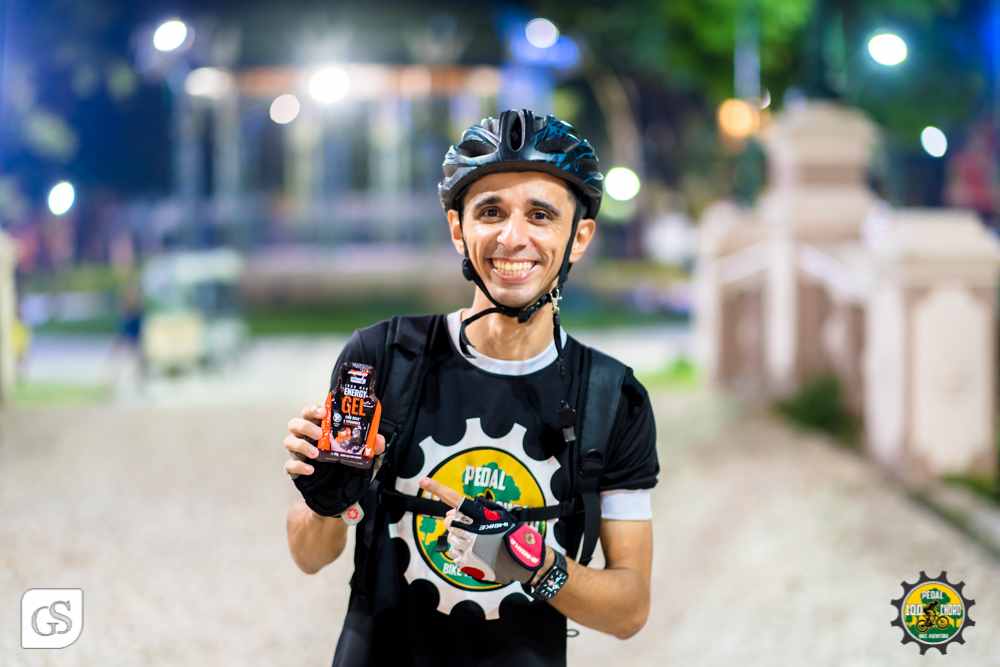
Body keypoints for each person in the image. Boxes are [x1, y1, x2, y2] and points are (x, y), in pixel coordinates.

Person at [283, 109, 658, 667]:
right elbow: (309, 556)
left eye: (540, 215)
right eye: (490, 212)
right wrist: (327, 501)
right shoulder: (382, 358)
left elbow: (628, 610)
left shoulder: (611, 398)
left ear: (578, 237)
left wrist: (530, 563)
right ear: (458, 228)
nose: (514, 237)